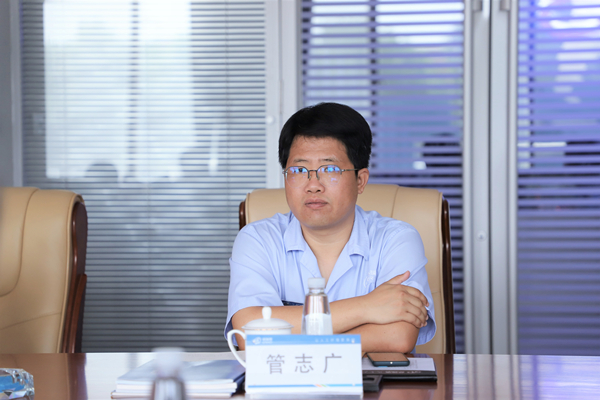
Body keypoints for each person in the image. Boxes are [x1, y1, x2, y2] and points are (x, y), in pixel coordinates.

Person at [225, 102, 435, 352]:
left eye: (330, 169)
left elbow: (398, 336)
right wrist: (367, 306)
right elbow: (248, 334)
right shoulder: (258, 239)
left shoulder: (396, 239)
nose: (313, 185)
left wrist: (289, 333)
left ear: (360, 180)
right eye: (299, 169)